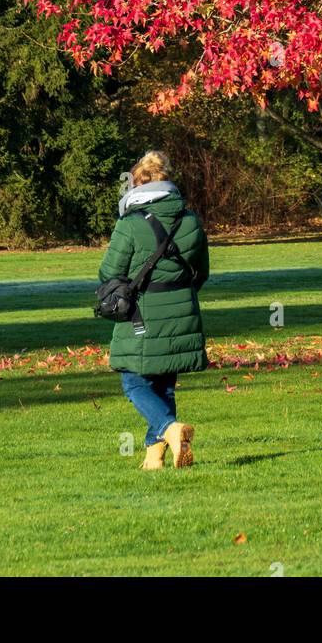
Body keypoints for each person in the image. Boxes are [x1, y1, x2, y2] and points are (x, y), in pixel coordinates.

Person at [99, 150, 210, 470]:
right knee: (163, 385)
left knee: (133, 382)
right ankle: (154, 458)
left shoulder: (130, 224)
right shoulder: (190, 219)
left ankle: (170, 429)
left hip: (141, 316)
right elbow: (201, 271)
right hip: (182, 313)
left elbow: (109, 272)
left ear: (137, 183)